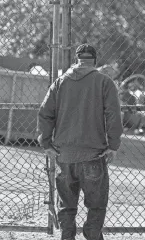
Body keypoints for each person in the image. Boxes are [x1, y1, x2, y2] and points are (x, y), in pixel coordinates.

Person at [37, 43, 123, 240]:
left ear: (77, 60)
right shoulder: (104, 82)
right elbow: (113, 116)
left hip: (64, 155)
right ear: (94, 60)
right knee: (96, 204)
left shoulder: (60, 82)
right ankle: (92, 235)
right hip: (93, 155)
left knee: (66, 205)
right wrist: (113, 145)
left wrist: (46, 143)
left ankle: (67, 236)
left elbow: (44, 114)